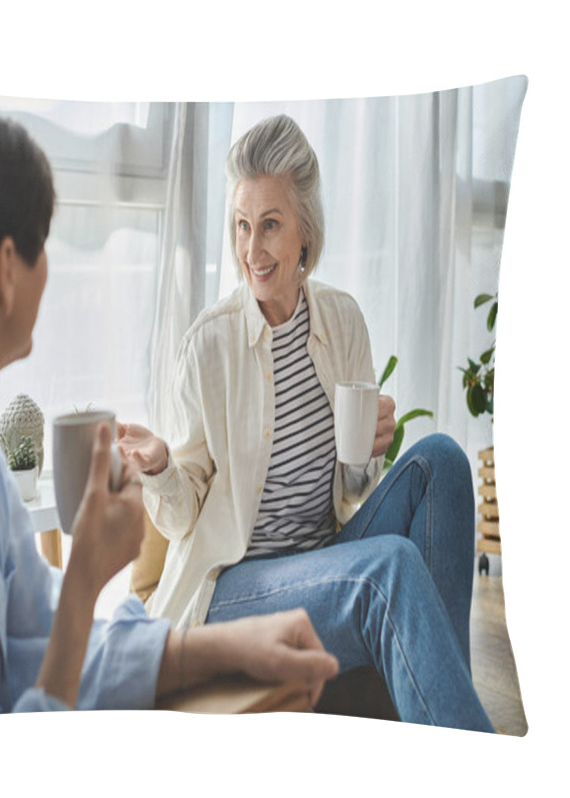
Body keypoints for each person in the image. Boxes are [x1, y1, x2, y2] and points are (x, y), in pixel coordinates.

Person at [0, 104, 340, 735]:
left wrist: (220, 650)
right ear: (6, 270)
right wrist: (85, 579)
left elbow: (41, 642)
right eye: (43, 241)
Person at [117, 114, 494, 732]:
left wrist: (364, 455)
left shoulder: (342, 321)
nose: (252, 249)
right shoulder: (208, 346)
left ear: (304, 233)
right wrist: (161, 468)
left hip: (324, 555)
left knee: (445, 460)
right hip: (234, 587)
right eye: (242, 226)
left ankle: (443, 717)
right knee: (388, 568)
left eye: (270, 225)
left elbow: (350, 496)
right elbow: (183, 517)